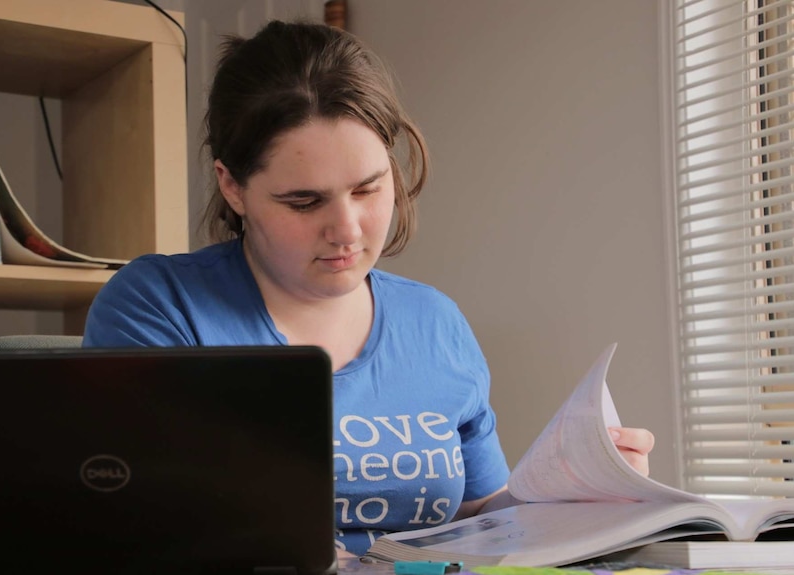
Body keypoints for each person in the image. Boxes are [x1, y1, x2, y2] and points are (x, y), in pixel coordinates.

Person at [82, 19, 655, 557]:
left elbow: (479, 513)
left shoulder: (434, 321)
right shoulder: (161, 307)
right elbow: (138, 518)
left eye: (368, 189)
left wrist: (579, 493)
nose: (347, 231)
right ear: (232, 187)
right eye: (303, 201)